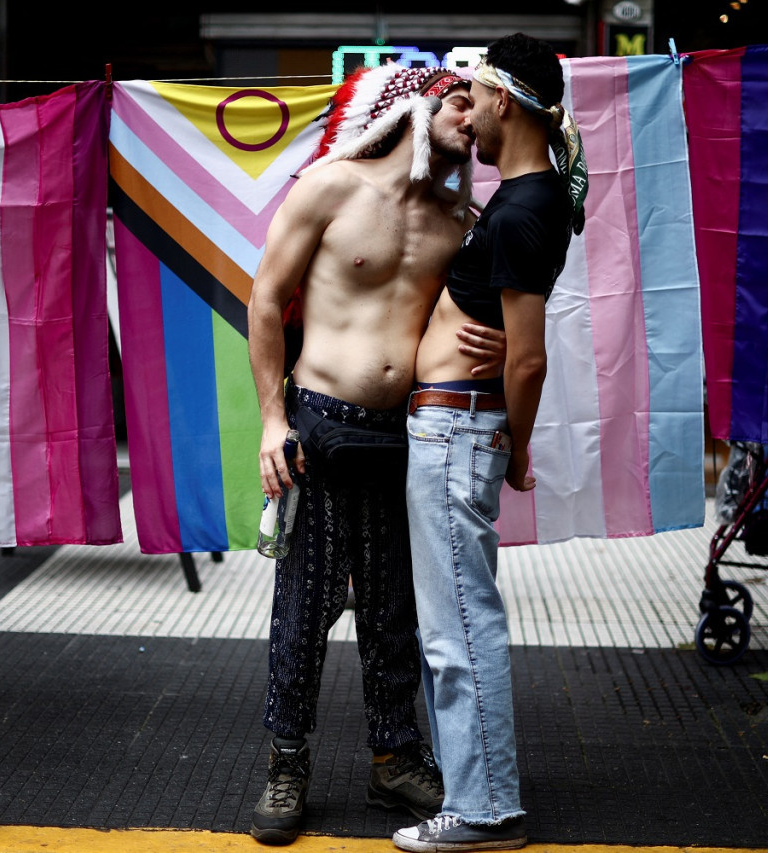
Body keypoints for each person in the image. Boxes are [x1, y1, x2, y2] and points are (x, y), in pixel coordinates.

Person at [246, 64, 503, 845]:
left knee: (397, 610)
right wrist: (269, 420)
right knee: (306, 608)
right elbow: (263, 298)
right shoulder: (331, 187)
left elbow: (471, 322)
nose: (473, 117)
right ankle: (286, 762)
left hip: (407, 433)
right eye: (461, 99)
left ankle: (394, 755)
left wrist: (491, 347)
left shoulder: (463, 219)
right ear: (415, 110)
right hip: (318, 427)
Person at [393, 33, 587, 853]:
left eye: (470, 94)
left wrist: (515, 445)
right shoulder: (519, 199)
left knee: (460, 630)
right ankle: (474, 788)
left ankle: (484, 809)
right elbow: (513, 336)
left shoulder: (524, 206)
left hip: (457, 431)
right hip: (454, 425)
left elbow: (531, 354)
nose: (459, 110)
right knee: (454, 626)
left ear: (506, 101)